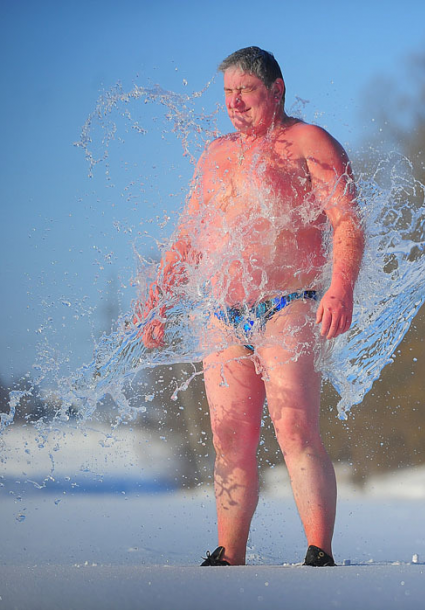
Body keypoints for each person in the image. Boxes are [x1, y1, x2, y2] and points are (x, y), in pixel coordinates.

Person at [136, 46, 364, 567]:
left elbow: (347, 222)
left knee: (296, 430)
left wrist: (341, 287)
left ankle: (318, 550)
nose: (235, 104)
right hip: (222, 313)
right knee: (229, 441)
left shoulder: (309, 142)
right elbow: (187, 241)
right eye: (228, 94)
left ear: (276, 90)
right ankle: (229, 553)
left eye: (246, 92)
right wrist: (158, 301)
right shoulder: (215, 155)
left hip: (290, 304)